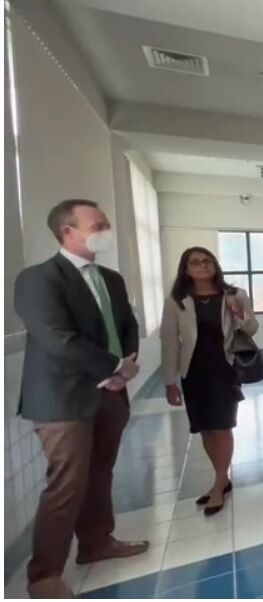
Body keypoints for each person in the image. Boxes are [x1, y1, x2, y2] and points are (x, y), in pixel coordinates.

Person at [13, 199, 148, 598]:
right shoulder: (38, 279)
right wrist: (112, 368)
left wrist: (127, 362)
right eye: (97, 224)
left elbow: (128, 325)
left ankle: (96, 543)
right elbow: (57, 338)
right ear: (67, 231)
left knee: (100, 472)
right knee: (65, 484)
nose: (105, 228)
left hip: (111, 394)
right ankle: (44, 575)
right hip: (64, 400)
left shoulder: (111, 278)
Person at [160, 247, 258, 516]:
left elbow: (251, 329)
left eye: (208, 261)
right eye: (196, 262)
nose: (203, 266)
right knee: (205, 428)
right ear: (186, 269)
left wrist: (239, 313)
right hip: (193, 372)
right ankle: (221, 477)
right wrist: (170, 381)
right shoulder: (177, 301)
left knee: (222, 425)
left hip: (224, 369)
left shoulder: (235, 295)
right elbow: (169, 342)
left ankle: (218, 483)